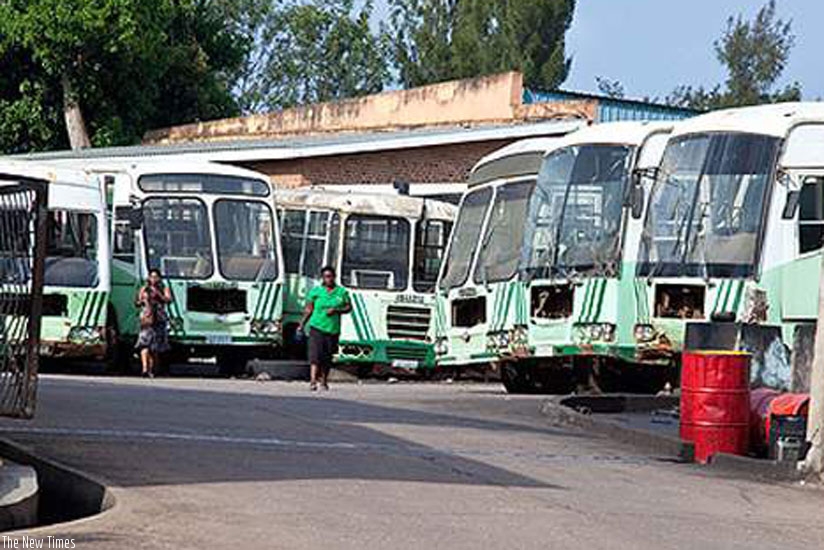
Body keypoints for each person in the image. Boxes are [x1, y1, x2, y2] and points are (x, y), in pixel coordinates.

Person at [298, 266, 351, 391]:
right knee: (315, 355)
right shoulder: (316, 292)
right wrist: (301, 324)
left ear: (334, 277)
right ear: (322, 278)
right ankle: (312, 381)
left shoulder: (341, 292)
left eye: (330, 276)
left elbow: (348, 307)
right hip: (317, 327)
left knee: (327, 357)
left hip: (332, 329)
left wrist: (336, 310)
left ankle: (324, 381)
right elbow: (309, 309)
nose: (328, 279)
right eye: (326, 277)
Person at [135, 268, 172, 378]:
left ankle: (153, 369)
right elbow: (137, 301)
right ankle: (145, 369)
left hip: (159, 318)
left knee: (155, 347)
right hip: (146, 319)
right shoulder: (144, 288)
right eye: (151, 277)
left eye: (156, 277)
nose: (153, 279)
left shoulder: (163, 288)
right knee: (144, 344)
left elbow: (169, 300)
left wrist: (159, 295)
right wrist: (142, 301)